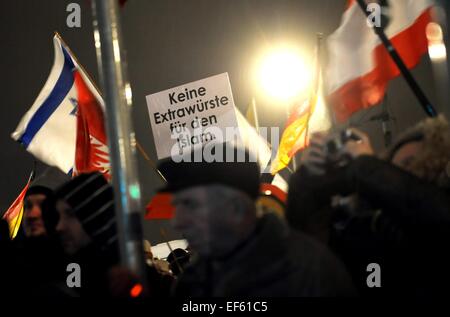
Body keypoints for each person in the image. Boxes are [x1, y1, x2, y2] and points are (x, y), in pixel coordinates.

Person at [158, 143, 356, 297]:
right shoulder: (192, 283)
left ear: (235, 209)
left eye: (190, 205)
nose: (177, 222)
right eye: (177, 206)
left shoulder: (310, 272)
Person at [286, 115, 450, 296]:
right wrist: (311, 181)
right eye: (390, 165)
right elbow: (310, 248)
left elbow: (429, 210)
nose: (396, 171)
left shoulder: (438, 214)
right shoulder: (367, 227)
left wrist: (365, 165)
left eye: (409, 163)